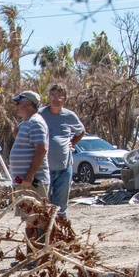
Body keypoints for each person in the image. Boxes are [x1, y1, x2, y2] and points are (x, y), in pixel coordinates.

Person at [39, 84, 85, 219]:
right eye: (53, 96)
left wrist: (73, 142)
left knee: (60, 209)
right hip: (44, 168)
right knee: (43, 206)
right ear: (48, 97)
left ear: (64, 99)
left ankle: (59, 236)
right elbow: (20, 131)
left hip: (65, 167)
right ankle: (43, 237)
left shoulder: (69, 116)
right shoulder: (40, 114)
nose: (56, 99)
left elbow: (81, 131)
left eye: (60, 96)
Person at [8, 90, 49, 200]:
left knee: (35, 217)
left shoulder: (35, 122)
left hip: (32, 183)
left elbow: (41, 149)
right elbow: (15, 133)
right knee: (27, 217)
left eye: (18, 102)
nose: (16, 106)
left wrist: (29, 175)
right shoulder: (29, 122)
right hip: (24, 182)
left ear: (28, 104)